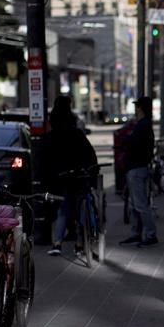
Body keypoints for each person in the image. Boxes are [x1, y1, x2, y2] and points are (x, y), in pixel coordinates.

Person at [43, 96, 99, 257]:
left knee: (63, 210)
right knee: (81, 208)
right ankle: (80, 244)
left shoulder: (51, 136)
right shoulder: (76, 134)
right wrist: (91, 173)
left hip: (61, 179)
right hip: (79, 177)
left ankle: (57, 243)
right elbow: (89, 155)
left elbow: (46, 160)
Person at [118, 96, 159, 247]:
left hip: (137, 168)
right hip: (136, 167)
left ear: (141, 108)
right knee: (135, 204)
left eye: (137, 107)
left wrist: (126, 139)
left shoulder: (143, 125)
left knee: (140, 204)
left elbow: (133, 143)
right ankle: (136, 233)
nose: (135, 109)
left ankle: (150, 234)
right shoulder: (143, 124)